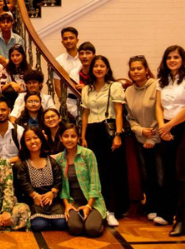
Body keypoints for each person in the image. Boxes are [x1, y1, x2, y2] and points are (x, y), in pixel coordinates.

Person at [155, 45, 185, 237]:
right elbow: (158, 106)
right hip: (166, 128)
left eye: (176, 57)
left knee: (181, 175)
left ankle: (184, 221)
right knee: (168, 174)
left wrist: (169, 126)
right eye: (169, 58)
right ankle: (168, 213)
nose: (172, 60)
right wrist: (162, 127)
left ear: (183, 59)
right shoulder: (162, 80)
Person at [80, 54, 127, 226]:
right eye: (96, 66)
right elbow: (85, 114)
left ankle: (112, 210)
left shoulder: (114, 86)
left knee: (111, 172)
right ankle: (99, 208)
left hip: (109, 131)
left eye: (102, 65)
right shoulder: (87, 89)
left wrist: (118, 135)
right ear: (91, 69)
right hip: (92, 131)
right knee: (96, 172)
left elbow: (119, 112)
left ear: (107, 69)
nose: (99, 68)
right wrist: (83, 136)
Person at [125, 55, 163, 224]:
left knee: (160, 175)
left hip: (159, 139)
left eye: (139, 68)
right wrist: (140, 131)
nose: (136, 72)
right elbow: (129, 118)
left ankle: (162, 207)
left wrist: (152, 136)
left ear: (146, 70)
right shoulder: (128, 91)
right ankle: (151, 204)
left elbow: (160, 112)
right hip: (140, 139)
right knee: (146, 175)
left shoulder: (157, 86)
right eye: (133, 69)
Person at [53, 122, 106, 237]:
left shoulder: (87, 154)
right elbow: (61, 187)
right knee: (75, 228)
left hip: (92, 201)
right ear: (60, 138)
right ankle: (84, 218)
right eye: (66, 136)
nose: (69, 139)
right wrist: (67, 205)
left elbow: (95, 183)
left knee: (92, 229)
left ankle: (99, 217)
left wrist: (88, 206)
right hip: (73, 202)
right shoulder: (59, 159)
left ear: (78, 138)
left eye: (73, 136)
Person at [14, 127, 66, 231]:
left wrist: (52, 193)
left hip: (52, 200)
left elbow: (58, 179)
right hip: (34, 201)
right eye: (28, 139)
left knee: (62, 223)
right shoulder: (22, 165)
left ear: (41, 140)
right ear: (24, 143)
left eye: (35, 138)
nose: (32, 141)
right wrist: (35, 196)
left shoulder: (52, 161)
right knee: (39, 225)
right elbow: (23, 183)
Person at [0, 97, 23, 162]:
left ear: (9, 111)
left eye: (3, 110)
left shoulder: (19, 131)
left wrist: (6, 163)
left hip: (15, 167)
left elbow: (24, 155)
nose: (0, 113)